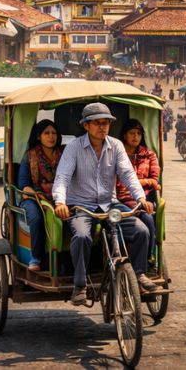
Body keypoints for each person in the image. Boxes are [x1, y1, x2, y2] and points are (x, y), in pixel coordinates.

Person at [52, 103, 158, 305]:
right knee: (82, 235)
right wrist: (60, 202)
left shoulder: (116, 145)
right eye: (98, 123)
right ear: (86, 126)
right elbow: (63, 177)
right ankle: (80, 285)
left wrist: (141, 199)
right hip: (81, 207)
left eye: (106, 123)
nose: (103, 127)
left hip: (110, 206)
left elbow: (128, 174)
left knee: (141, 230)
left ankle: (139, 273)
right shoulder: (74, 148)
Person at [16, 119, 63, 271]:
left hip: (61, 196)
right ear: (38, 136)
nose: (51, 137)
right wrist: (38, 195)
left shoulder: (64, 154)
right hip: (33, 197)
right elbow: (24, 184)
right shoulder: (29, 155)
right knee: (36, 217)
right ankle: (36, 258)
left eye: (54, 133)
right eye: (46, 133)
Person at [116, 119, 161, 264]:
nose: (136, 137)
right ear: (124, 135)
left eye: (139, 133)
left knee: (148, 219)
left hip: (144, 199)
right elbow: (117, 183)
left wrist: (137, 182)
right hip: (120, 199)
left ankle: (149, 258)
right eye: (132, 133)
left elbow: (155, 180)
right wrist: (143, 182)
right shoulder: (117, 153)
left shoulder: (149, 155)